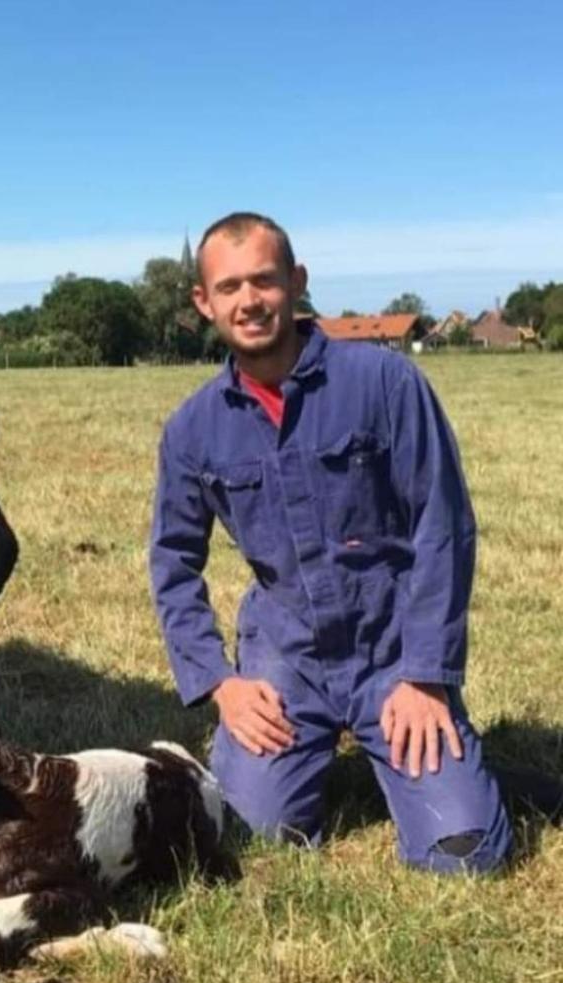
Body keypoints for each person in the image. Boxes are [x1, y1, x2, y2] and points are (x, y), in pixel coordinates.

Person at [148, 212, 511, 873]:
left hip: (392, 651)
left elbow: (443, 525)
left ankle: (448, 769)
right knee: (253, 839)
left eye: (264, 279)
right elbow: (173, 565)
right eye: (228, 287)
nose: (249, 300)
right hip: (286, 660)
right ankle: (334, 763)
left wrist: (426, 676)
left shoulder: (383, 383)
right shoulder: (191, 430)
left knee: (465, 855)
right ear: (204, 302)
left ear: (297, 281)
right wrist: (221, 685)